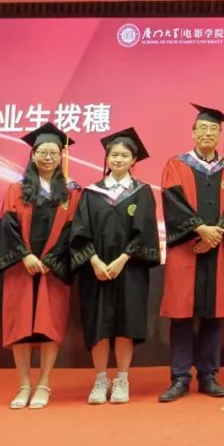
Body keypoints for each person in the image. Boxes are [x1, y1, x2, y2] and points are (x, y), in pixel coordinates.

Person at [158, 104, 224, 403]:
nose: (208, 133)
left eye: (213, 129)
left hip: (218, 248)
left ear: (220, 135)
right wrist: (200, 229)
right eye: (203, 129)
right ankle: (180, 377)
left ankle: (209, 375)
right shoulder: (176, 164)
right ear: (193, 133)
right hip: (186, 249)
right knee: (181, 316)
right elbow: (173, 202)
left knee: (213, 315)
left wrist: (216, 233)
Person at [0, 123, 81, 409]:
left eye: (53, 152)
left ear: (61, 156)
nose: (48, 157)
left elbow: (72, 231)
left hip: (53, 270)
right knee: (20, 327)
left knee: (48, 326)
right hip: (21, 268)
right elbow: (7, 227)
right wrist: (26, 256)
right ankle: (23, 384)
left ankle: (43, 383)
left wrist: (50, 260)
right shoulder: (16, 189)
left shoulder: (71, 193)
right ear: (33, 155)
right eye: (42, 152)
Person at [70, 127, 159, 405]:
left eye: (124, 155)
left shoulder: (142, 192)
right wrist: (94, 261)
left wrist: (122, 260)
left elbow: (145, 232)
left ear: (134, 160)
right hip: (96, 271)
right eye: (114, 155)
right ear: (107, 158)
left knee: (125, 325)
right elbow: (79, 232)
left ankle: (121, 379)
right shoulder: (91, 193)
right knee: (98, 325)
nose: (118, 159)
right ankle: (100, 379)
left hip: (129, 270)